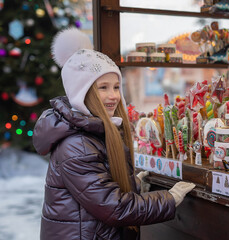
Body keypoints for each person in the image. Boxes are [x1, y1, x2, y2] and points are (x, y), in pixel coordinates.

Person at [32, 28, 195, 240]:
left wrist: (133, 184)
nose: (113, 96)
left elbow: (99, 185)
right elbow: (114, 207)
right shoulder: (76, 144)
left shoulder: (95, 130)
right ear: (83, 93)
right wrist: (169, 199)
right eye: (103, 88)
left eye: (117, 87)